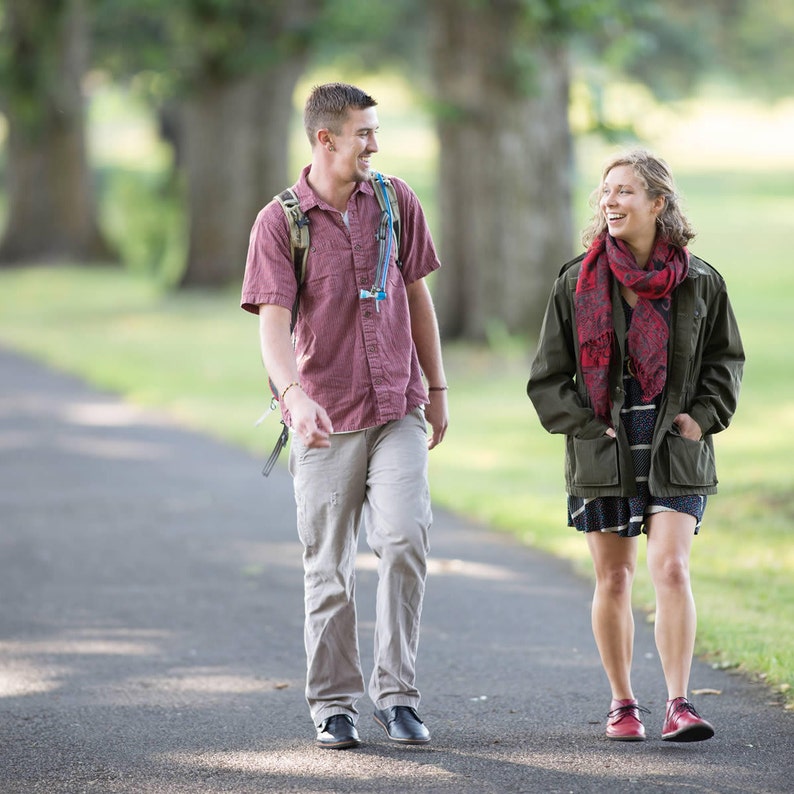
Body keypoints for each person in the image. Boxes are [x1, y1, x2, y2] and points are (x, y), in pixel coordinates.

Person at [241, 82, 448, 750]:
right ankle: (333, 704)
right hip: (325, 418)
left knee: (405, 540)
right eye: (364, 133)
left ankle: (398, 696)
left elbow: (417, 296)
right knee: (328, 567)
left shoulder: (395, 200)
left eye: (376, 131)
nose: (376, 144)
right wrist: (294, 398)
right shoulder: (280, 222)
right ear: (325, 138)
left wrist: (436, 389)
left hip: (398, 409)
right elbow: (273, 326)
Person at [527, 149, 744, 743]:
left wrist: (702, 418)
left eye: (625, 191)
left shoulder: (701, 282)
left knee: (671, 568)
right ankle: (624, 704)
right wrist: (585, 425)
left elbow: (725, 362)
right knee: (615, 580)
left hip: (675, 446)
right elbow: (548, 376)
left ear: (658, 203)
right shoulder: (577, 281)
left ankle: (679, 703)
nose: (611, 200)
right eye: (606, 191)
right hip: (605, 448)